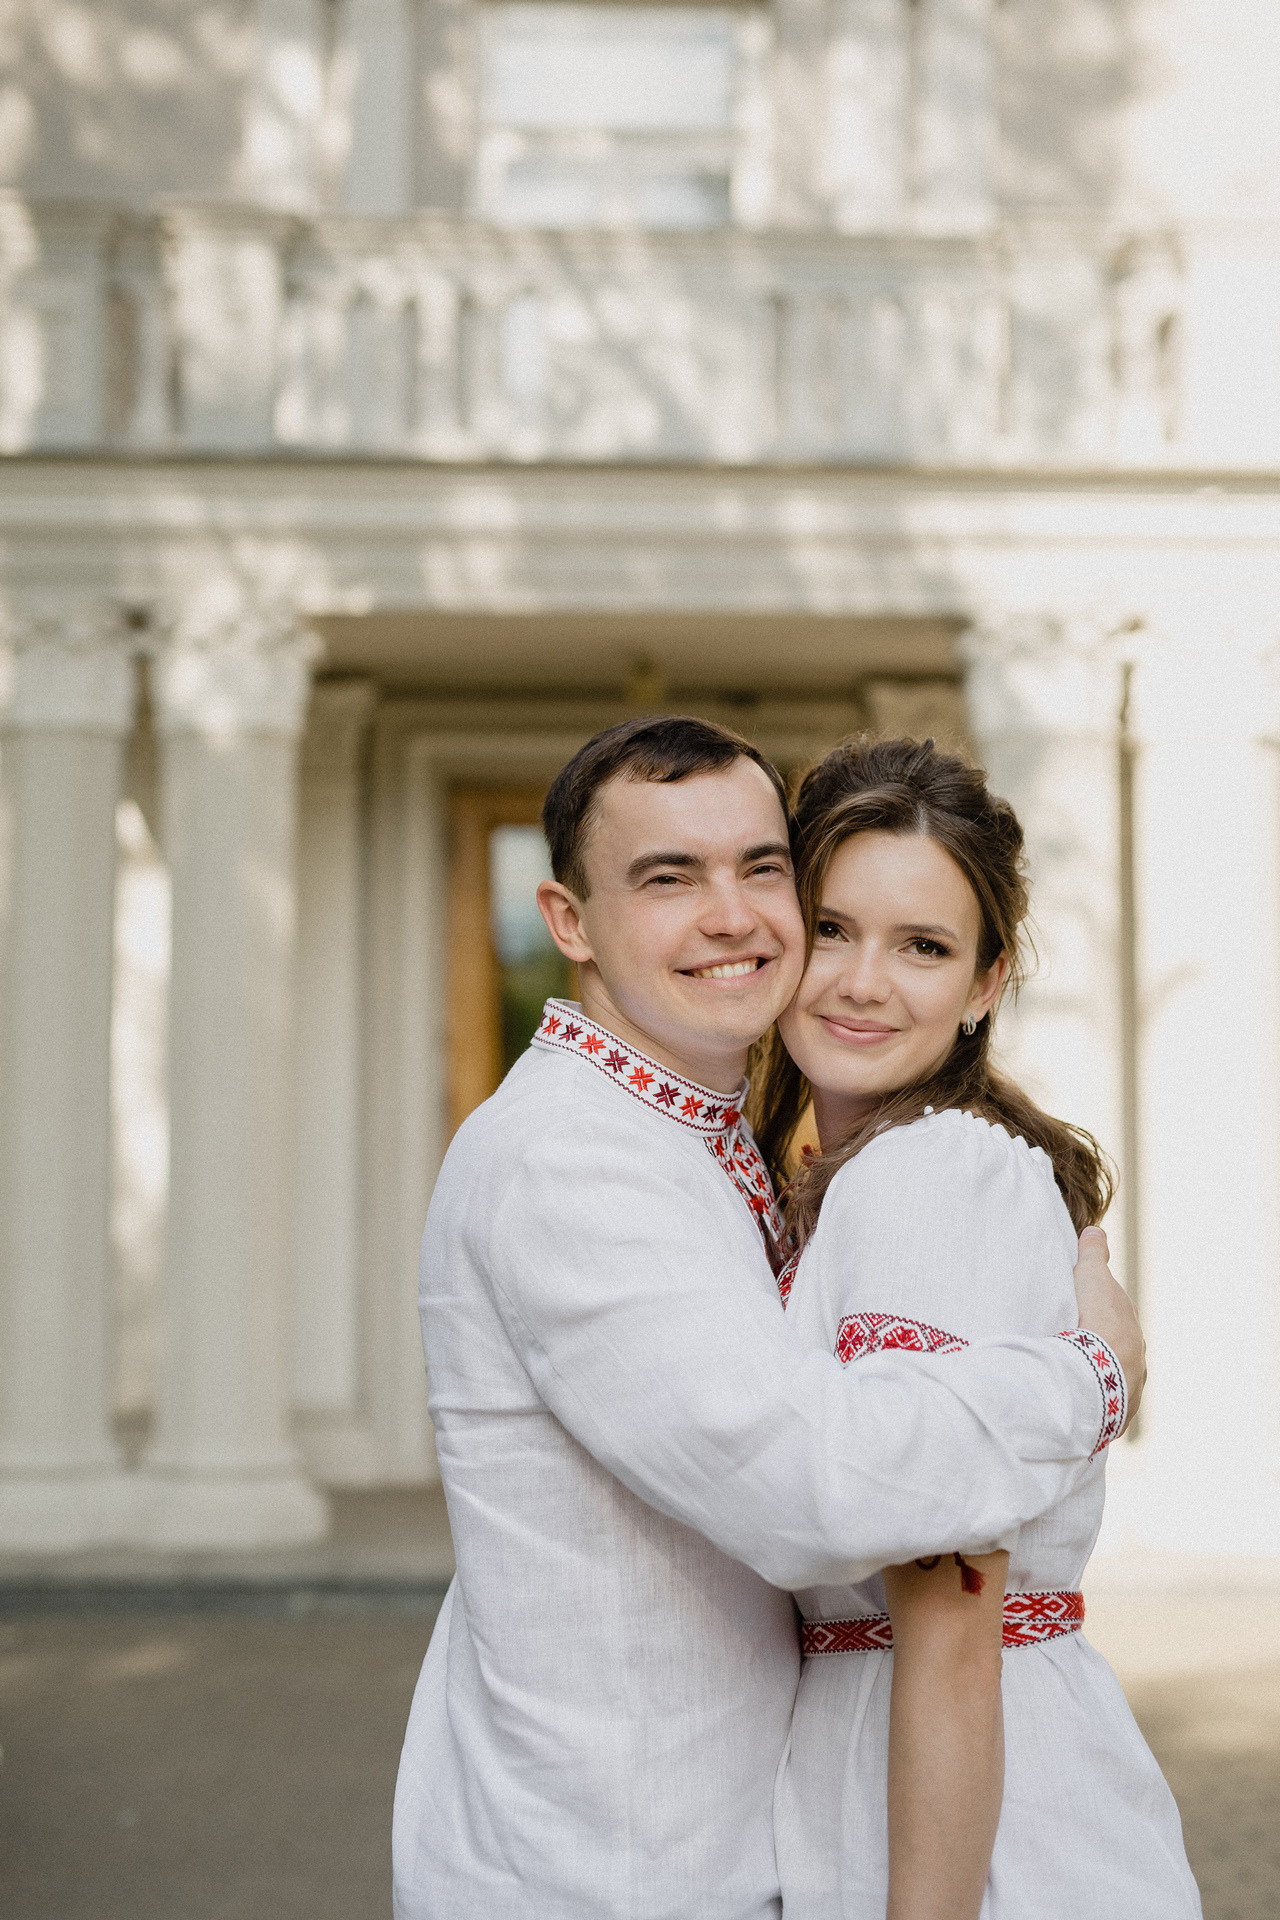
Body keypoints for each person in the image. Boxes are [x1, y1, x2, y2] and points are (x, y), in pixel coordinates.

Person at [392, 715, 1145, 1920]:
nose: (733, 914)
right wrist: (1092, 1376)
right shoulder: (573, 1161)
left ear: (984, 978)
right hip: (609, 1866)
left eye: (758, 868)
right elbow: (818, 1487)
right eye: (666, 877)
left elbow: (948, 1609)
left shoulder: (810, 1159)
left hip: (777, 1837)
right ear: (570, 922)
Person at [760, 736, 1198, 1919]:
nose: (861, 980)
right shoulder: (851, 1178)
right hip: (915, 1756)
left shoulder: (932, 1172)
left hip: (956, 1801)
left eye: (922, 947)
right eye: (833, 928)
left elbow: (949, 1606)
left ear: (984, 984)